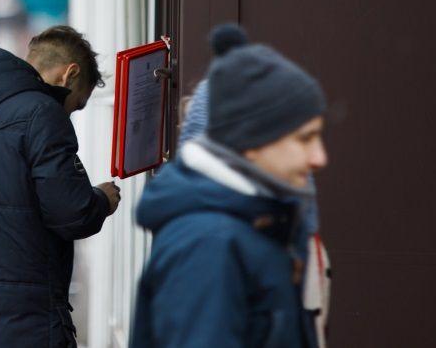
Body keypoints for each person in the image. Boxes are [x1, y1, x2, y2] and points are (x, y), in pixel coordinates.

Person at [131, 24, 327, 348]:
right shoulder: (209, 245)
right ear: (252, 141)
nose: (320, 157)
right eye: (304, 138)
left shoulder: (255, 226)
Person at [0, 26, 120, 347]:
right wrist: (101, 199)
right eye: (76, 104)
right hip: (24, 323)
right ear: (69, 75)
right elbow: (71, 213)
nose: (69, 112)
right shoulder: (42, 112)